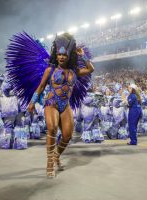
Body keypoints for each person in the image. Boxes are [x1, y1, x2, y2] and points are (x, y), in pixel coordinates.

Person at [27, 33, 94, 178]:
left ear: (69, 56)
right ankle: (50, 163)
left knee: (67, 136)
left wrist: (83, 56)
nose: (62, 57)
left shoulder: (74, 71)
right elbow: (41, 87)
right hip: (51, 103)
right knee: (51, 128)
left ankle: (56, 155)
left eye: (64, 55)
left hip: (65, 105)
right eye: (59, 54)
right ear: (56, 55)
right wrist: (32, 102)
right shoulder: (49, 70)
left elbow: (90, 69)